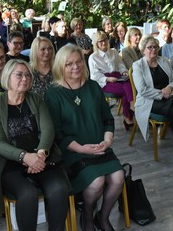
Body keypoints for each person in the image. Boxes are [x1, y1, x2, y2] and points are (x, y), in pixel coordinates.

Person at [45, 45, 124, 231]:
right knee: (97, 183)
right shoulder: (53, 93)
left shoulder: (93, 86)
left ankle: (102, 217)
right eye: (69, 63)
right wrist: (81, 149)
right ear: (60, 67)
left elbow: (107, 118)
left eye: (79, 61)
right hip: (74, 151)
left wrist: (108, 140)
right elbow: (56, 132)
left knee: (118, 178)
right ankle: (88, 215)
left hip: (101, 146)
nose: (75, 67)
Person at [0, 60, 71, 229]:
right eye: (19, 74)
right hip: (9, 162)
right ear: (7, 77)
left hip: (41, 157)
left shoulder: (36, 99)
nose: (24, 78)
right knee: (27, 194)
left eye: (27, 75)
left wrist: (40, 154)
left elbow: (48, 129)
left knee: (59, 188)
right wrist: (24, 157)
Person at [132, 35, 173, 149]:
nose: (153, 50)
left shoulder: (164, 61)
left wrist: (170, 87)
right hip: (149, 101)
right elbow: (142, 90)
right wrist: (164, 93)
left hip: (169, 98)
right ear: (143, 51)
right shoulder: (138, 65)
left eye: (155, 47)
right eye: (150, 47)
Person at [89, 30, 134, 130]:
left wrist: (124, 72)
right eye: (100, 41)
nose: (104, 43)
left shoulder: (113, 51)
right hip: (105, 82)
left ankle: (128, 108)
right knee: (127, 90)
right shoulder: (93, 57)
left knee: (130, 82)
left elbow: (120, 65)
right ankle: (128, 112)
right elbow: (94, 76)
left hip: (118, 76)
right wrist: (108, 78)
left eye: (105, 40)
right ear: (96, 44)